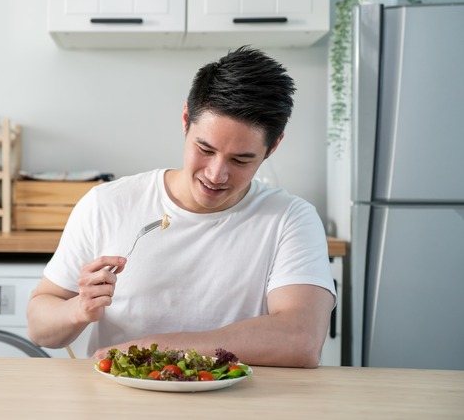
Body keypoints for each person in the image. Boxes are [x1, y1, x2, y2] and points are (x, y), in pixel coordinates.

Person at [26, 46, 336, 368]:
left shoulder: (290, 219)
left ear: (273, 146)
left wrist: (155, 349)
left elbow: (300, 340)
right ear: (186, 119)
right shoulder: (107, 203)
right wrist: (79, 309)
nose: (216, 174)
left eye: (241, 159)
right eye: (205, 149)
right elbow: (39, 328)